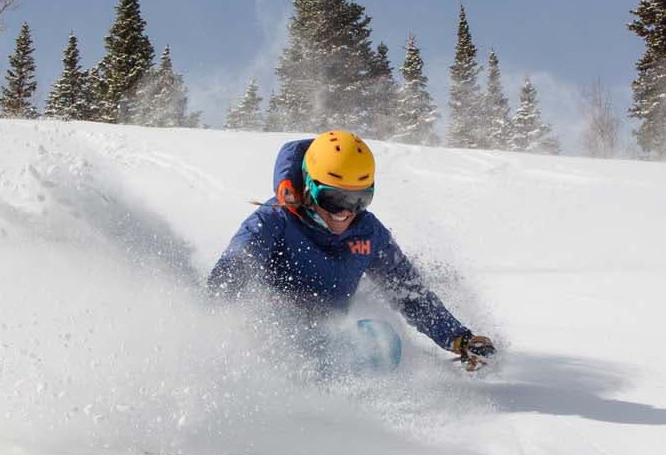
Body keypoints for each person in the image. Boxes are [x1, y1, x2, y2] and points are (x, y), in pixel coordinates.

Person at [208, 129, 496, 371]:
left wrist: (459, 338)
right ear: (309, 187)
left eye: (360, 200)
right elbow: (236, 266)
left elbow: (409, 293)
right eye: (335, 198)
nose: (346, 212)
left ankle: (363, 418)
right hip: (270, 341)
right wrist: (217, 328)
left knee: (381, 342)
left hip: (327, 341)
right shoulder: (274, 219)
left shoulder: (369, 233)